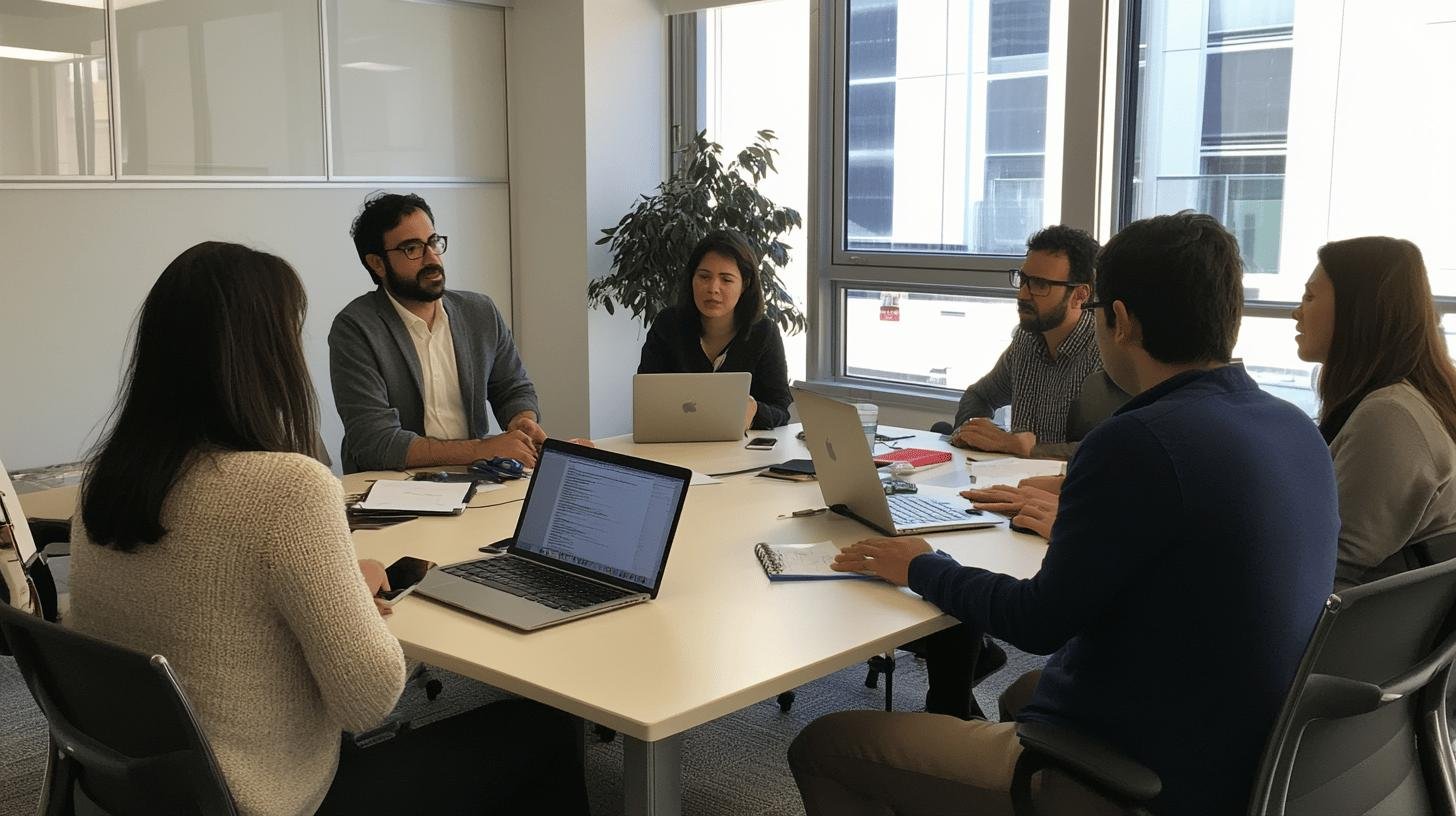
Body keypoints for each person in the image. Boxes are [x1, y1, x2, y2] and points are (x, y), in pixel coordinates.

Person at [788, 212, 1338, 816]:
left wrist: (922, 565)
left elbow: (1038, 622)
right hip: (1260, 753)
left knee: (824, 747)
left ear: (1119, 320)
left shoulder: (1139, 441)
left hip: (1150, 769)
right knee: (1026, 693)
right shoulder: (1296, 428)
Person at [69, 242, 589, 816]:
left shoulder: (106, 479)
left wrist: (339, 582)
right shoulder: (288, 488)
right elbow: (369, 701)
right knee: (544, 726)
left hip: (144, 787)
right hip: (269, 796)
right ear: (262, 354)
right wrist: (357, 597)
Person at [330, 192, 577, 474]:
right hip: (395, 488)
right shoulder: (356, 328)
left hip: (479, 477)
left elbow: (513, 387)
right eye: (412, 248)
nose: (431, 258)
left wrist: (521, 420)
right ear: (377, 263)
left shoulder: (479, 311)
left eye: (433, 242)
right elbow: (375, 443)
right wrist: (481, 449)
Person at [1292, 236, 1456, 589]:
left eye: (1309, 296)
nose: (1296, 312)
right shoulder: (1411, 401)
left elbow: (1332, 566)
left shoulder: (1390, 417)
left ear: (1357, 309)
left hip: (1348, 637)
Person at [951, 225, 1127, 459]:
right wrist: (975, 433)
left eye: (1040, 285)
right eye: (1023, 279)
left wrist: (1029, 449)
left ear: (1080, 295)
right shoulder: (1027, 340)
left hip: (1067, 492)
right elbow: (979, 396)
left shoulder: (1105, 351)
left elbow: (1111, 449)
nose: (1023, 294)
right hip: (1012, 486)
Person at [638, 229, 792, 430]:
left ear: (744, 284)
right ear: (692, 278)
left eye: (726, 279)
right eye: (704, 277)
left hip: (740, 453)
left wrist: (755, 413)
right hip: (674, 445)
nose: (713, 288)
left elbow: (781, 409)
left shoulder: (764, 332)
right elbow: (646, 397)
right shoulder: (668, 325)